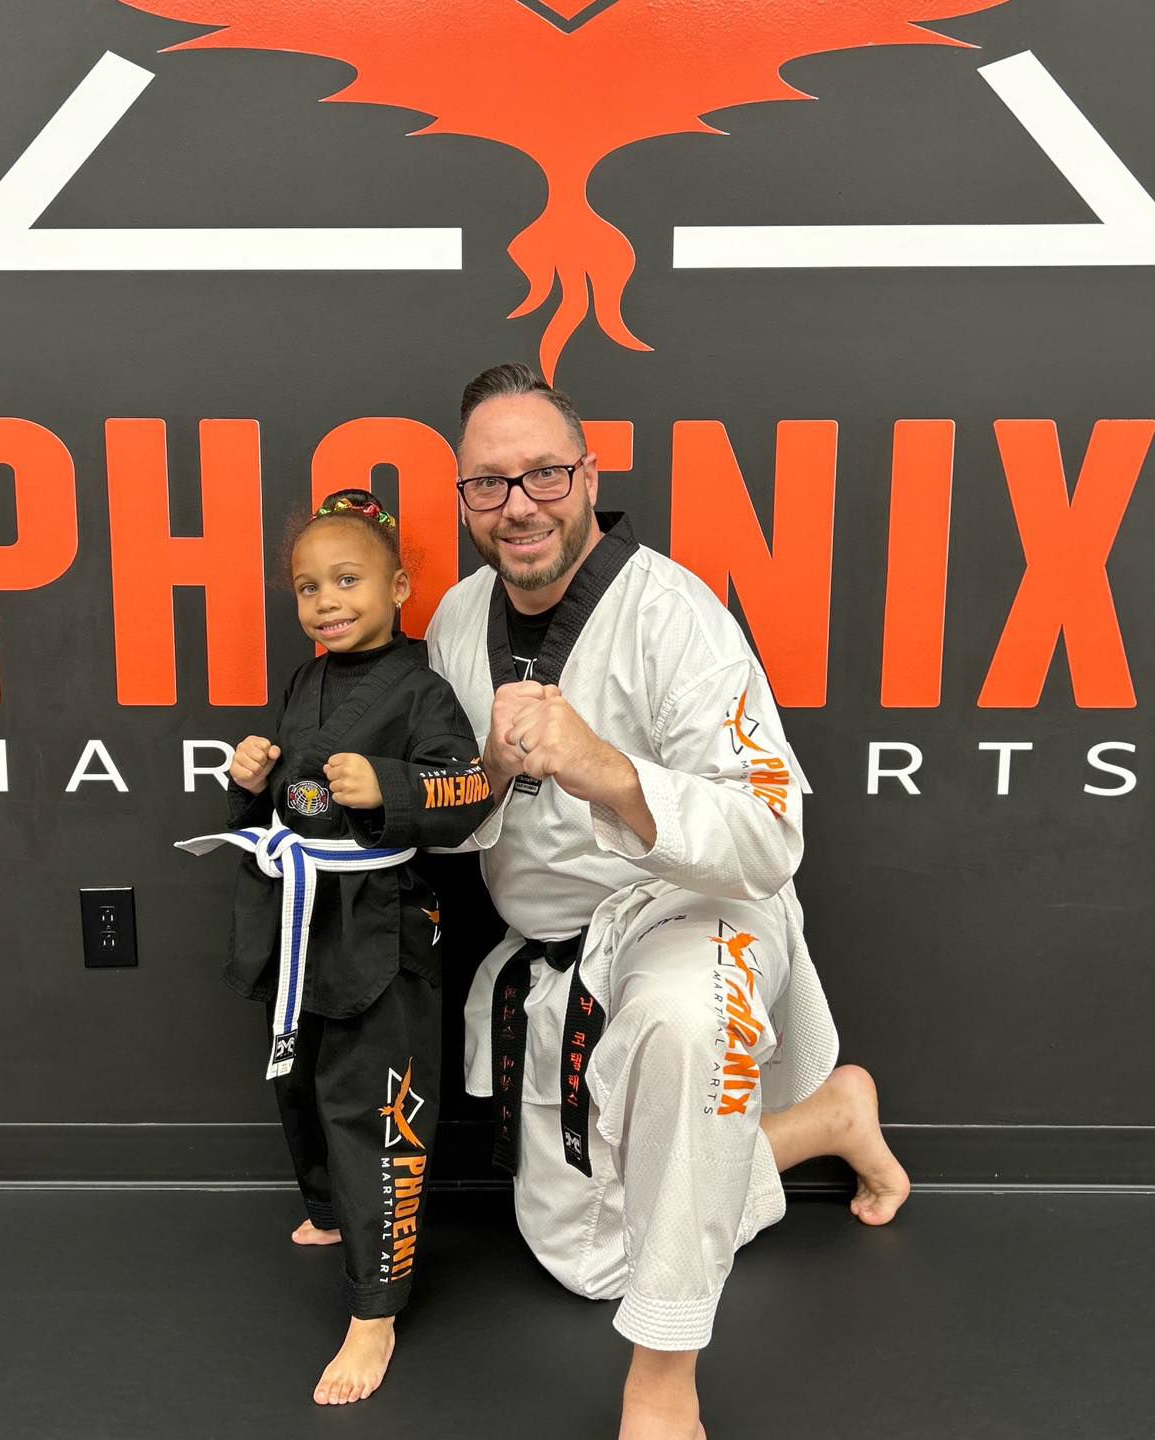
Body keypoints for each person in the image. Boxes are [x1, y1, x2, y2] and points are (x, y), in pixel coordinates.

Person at [426, 365, 911, 1440]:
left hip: (694, 912)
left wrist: (608, 770)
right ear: (462, 497)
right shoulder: (457, 621)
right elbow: (448, 817)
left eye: (544, 473)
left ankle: (664, 1379)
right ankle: (824, 1118)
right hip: (557, 953)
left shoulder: (677, 616)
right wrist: (495, 773)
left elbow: (771, 837)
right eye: (488, 483)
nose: (519, 505)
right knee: (593, 1260)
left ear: (588, 474)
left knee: (686, 1023)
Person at [177, 489, 494, 1407]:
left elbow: (467, 791)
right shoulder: (307, 682)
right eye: (309, 587)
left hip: (380, 926)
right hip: (301, 915)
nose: (326, 601)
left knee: (371, 1107)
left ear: (399, 585)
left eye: (348, 579)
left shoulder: (423, 689)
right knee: (301, 1080)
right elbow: (288, 804)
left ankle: (375, 1305)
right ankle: (326, 1210)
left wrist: (389, 781)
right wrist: (255, 783)